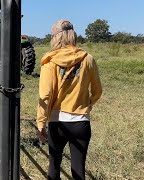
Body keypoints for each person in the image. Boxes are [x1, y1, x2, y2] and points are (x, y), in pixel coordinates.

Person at [37, 20, 102, 180]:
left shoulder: (49, 61)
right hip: (81, 122)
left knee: (54, 166)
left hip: (56, 122)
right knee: (79, 170)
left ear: (56, 37)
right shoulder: (88, 59)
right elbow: (97, 91)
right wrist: (87, 104)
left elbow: (45, 95)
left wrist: (41, 122)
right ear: (72, 34)